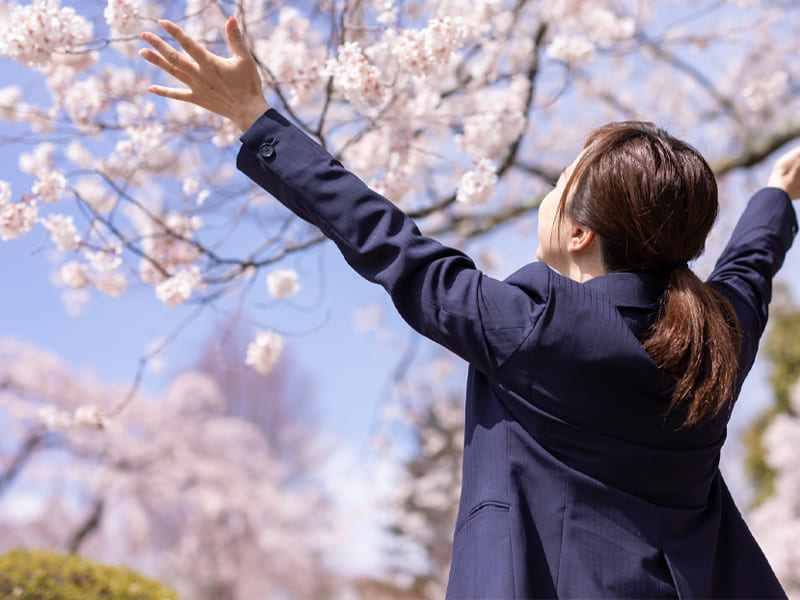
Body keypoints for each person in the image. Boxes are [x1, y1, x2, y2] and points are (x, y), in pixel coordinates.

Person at [140, 17, 800, 599]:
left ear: (578, 233)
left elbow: (386, 240)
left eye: (559, 184)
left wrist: (257, 119)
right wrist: (775, 195)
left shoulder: (532, 329)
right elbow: (749, 269)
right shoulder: (720, 345)